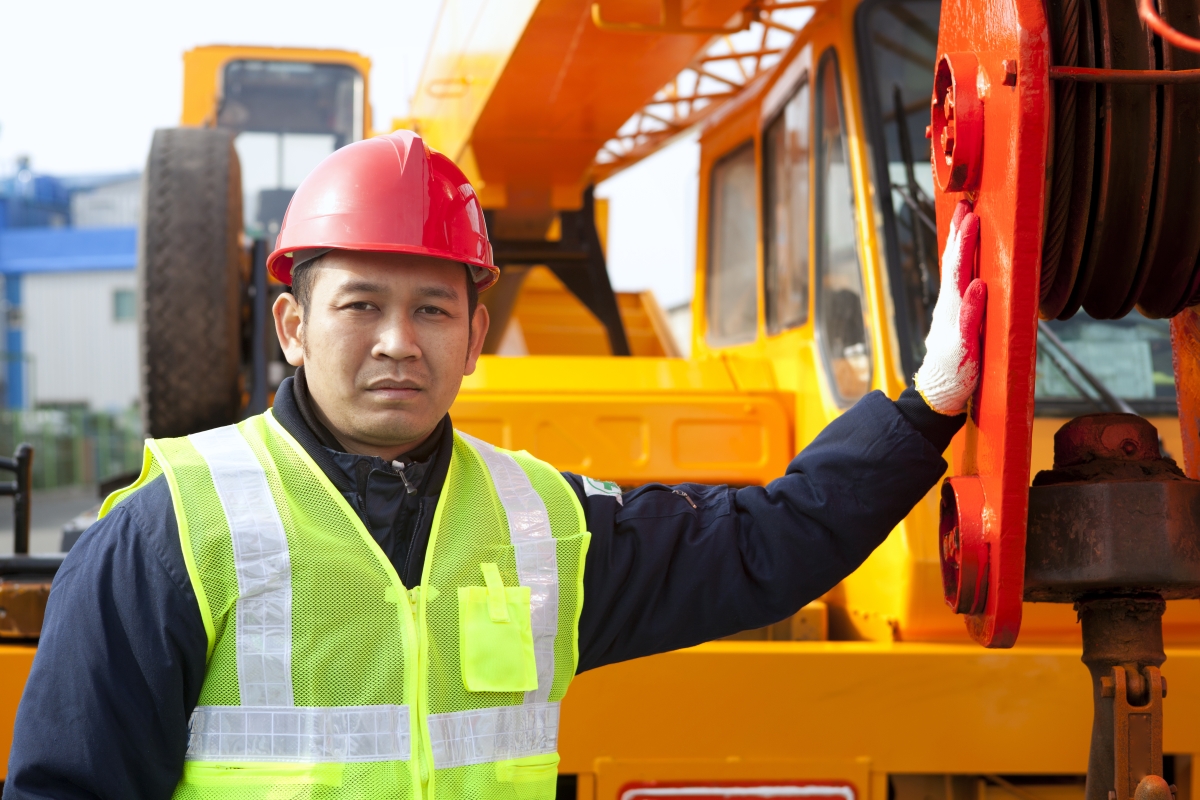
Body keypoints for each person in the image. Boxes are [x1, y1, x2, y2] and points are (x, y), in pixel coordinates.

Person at [4, 131, 985, 800]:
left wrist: (927, 404)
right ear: (293, 326)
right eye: (362, 304)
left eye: (432, 308)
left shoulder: (539, 523)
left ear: (475, 335)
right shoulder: (173, 527)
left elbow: (765, 542)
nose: (399, 340)